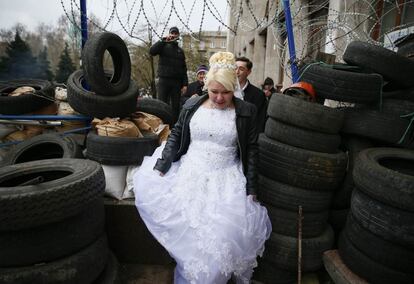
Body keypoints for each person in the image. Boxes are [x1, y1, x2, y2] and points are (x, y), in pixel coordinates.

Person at [133, 51, 271, 284]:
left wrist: (252, 189)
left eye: (225, 92)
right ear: (206, 86)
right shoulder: (191, 104)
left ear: (234, 88)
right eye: (214, 91)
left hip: (225, 182)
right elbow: (176, 134)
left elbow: (252, 150)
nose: (218, 98)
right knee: (191, 240)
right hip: (190, 175)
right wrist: (162, 165)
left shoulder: (246, 111)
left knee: (220, 242)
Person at [150, 26, 188, 123]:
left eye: (176, 33)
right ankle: (160, 125)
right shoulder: (163, 46)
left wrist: (185, 84)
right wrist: (163, 41)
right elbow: (152, 51)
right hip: (164, 80)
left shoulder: (180, 51)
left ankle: (173, 127)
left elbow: (184, 69)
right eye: (172, 33)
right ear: (169, 34)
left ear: (178, 35)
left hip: (176, 82)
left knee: (175, 106)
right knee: (161, 104)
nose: (174, 35)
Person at [235, 57, 267, 132]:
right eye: (235, 68)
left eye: (241, 69)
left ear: (248, 72)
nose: (237, 72)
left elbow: (260, 121)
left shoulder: (258, 94)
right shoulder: (226, 91)